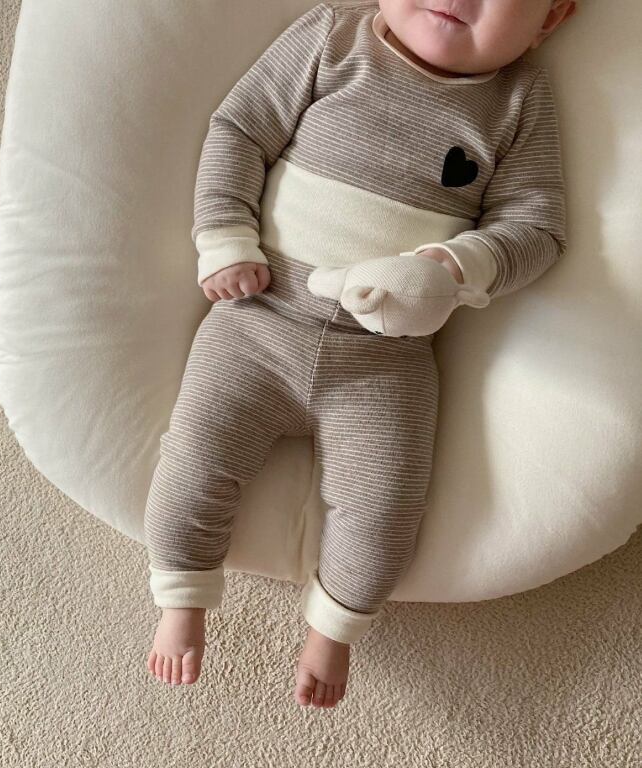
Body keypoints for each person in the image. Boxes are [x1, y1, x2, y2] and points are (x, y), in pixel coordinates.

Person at [145, 0, 577, 708]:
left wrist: (459, 264)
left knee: (385, 507)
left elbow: (537, 227)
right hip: (255, 319)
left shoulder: (518, 99)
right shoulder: (333, 38)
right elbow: (240, 129)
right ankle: (181, 596)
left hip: (385, 361)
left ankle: (334, 627)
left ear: (549, 20)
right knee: (194, 459)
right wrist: (224, 238)